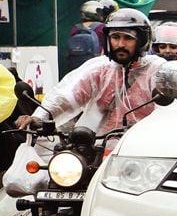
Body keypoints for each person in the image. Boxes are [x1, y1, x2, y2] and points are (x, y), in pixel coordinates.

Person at [15, 9, 164, 134]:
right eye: (115, 37)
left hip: (145, 150)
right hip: (97, 147)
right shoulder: (100, 68)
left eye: (128, 38)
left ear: (142, 41)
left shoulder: (156, 70)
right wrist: (38, 117)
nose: (120, 44)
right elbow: (66, 97)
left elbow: (169, 112)